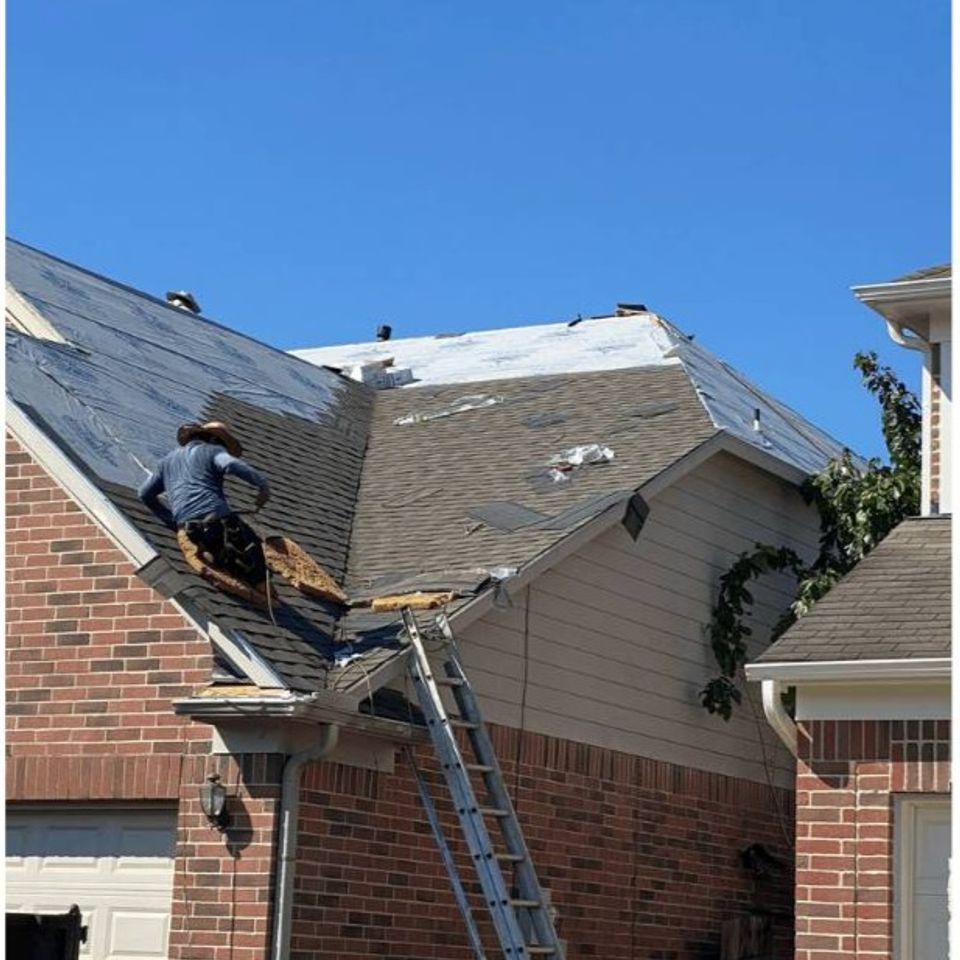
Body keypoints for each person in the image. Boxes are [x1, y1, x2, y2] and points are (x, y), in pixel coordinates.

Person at [138, 421, 271, 586]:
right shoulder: (213, 450)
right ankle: (262, 587)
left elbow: (144, 494)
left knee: (226, 558)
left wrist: (173, 521)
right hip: (217, 520)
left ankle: (217, 556)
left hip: (189, 529)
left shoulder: (166, 461)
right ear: (214, 439)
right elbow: (230, 464)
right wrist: (263, 486)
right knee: (254, 551)